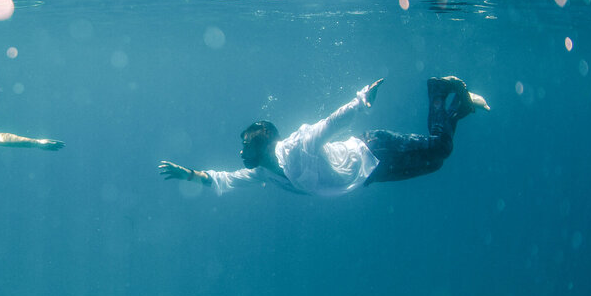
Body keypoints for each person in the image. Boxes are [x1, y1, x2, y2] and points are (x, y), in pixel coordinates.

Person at [158, 76, 487, 196]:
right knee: (437, 164)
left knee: (443, 148)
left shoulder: (300, 145)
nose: (241, 153)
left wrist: (361, 101)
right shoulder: (264, 172)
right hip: (369, 175)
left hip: (375, 148)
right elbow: (224, 179)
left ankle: (438, 92)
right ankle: (462, 109)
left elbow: (331, 122)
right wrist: (188, 175)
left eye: (246, 146)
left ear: (264, 143)